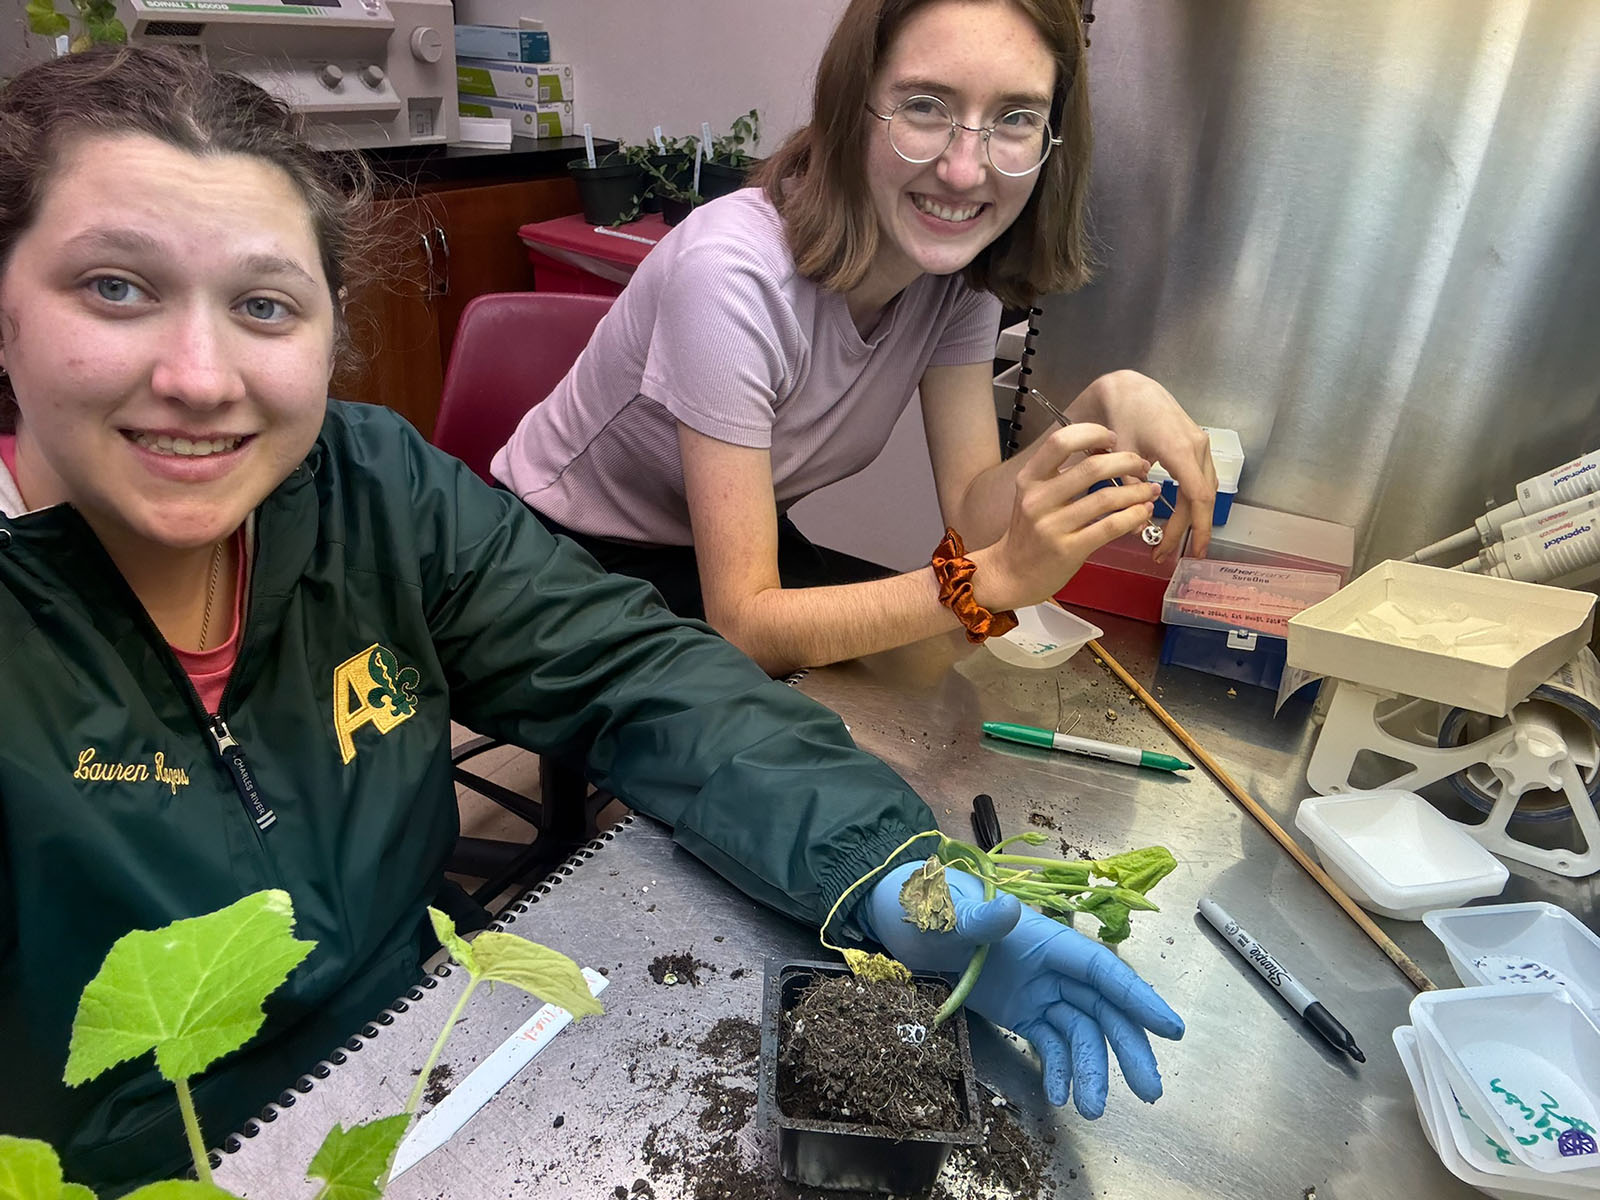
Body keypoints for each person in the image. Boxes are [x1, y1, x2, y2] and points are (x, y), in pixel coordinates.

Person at [0, 46, 1181, 1195]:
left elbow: (649, 675)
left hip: (438, 1063)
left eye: (264, 305)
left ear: (328, 330)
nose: (202, 377)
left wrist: (887, 872)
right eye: (116, 287)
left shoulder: (377, 496)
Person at [492, 0, 1219, 677]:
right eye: (924, 106)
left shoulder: (952, 273)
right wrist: (988, 582)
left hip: (712, 554)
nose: (965, 172)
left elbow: (970, 512)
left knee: (908, 677)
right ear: (854, 107)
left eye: (1015, 117)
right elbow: (745, 623)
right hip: (563, 555)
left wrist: (1099, 407)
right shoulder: (730, 276)